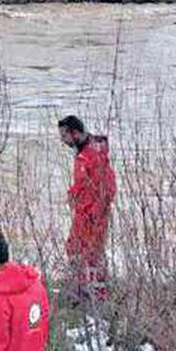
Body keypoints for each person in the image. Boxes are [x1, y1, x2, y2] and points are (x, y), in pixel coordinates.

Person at [58, 115, 116, 302]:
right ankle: (84, 290)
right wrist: (73, 194)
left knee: (88, 253)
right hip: (85, 212)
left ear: (75, 133)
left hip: (91, 214)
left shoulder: (93, 154)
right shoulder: (87, 152)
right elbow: (86, 183)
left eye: (64, 136)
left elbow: (107, 187)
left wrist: (94, 213)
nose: (63, 141)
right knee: (77, 250)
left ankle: (93, 295)